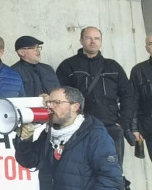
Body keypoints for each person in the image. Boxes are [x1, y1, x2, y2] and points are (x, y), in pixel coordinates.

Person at [56, 26, 139, 169]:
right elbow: (59, 98)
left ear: (101, 41)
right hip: (79, 128)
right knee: (82, 171)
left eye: (97, 38)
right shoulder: (68, 66)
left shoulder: (113, 66)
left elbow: (128, 96)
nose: (93, 41)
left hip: (111, 128)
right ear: (81, 40)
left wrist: (122, 123)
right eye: (88, 38)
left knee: (112, 171)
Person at [14, 86, 123, 190]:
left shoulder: (96, 135)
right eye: (49, 102)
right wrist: (24, 140)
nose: (50, 106)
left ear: (75, 107)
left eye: (56, 102)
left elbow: (111, 180)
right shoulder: (48, 133)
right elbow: (29, 161)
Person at [131, 32, 152, 173]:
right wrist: (134, 128)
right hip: (150, 128)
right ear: (146, 47)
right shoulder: (138, 70)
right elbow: (133, 100)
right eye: (151, 43)